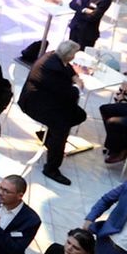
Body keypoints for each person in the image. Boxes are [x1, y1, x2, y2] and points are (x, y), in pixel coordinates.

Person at [17, 40, 84, 185]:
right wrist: (78, 87)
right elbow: (68, 93)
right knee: (62, 127)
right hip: (36, 104)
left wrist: (74, 76)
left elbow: (67, 68)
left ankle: (49, 139)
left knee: (79, 115)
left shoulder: (53, 56)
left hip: (48, 100)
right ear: (69, 55)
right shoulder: (53, 69)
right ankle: (51, 168)